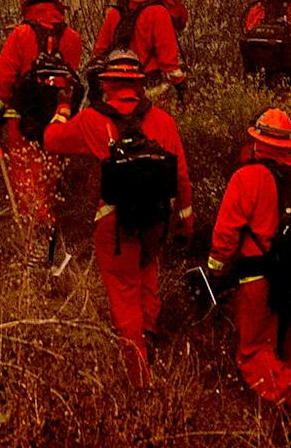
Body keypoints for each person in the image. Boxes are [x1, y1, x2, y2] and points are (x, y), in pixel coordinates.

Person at [43, 49, 193, 385]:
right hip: (156, 219)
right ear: (139, 85)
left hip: (114, 222)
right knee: (148, 278)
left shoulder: (93, 119)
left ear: (107, 83)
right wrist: (186, 220)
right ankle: (149, 335)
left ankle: (139, 378)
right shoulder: (164, 122)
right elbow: (181, 177)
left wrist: (63, 107)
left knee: (124, 296)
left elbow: (52, 141)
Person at [203, 107, 291, 416]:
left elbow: (225, 233)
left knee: (254, 354)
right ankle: (287, 432)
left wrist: (214, 272)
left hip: (258, 279)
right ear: (289, 146)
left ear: (258, 143)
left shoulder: (246, 178)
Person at [0, 0, 84, 262]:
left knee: (26, 179)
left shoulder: (21, 34)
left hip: (22, 122)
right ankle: (50, 245)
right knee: (50, 180)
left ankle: (35, 248)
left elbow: (4, 80)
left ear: (28, 8)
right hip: (59, 123)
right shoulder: (73, 37)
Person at [93, 0, 188, 100]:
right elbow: (168, 61)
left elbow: (99, 51)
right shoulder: (158, 13)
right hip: (149, 85)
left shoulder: (116, 11)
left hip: (115, 87)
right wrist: (181, 84)